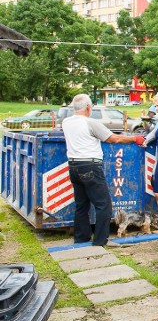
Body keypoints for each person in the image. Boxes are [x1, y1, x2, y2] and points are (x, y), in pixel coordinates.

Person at [62, 93, 142, 246]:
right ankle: (100, 240)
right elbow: (114, 138)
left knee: (81, 205)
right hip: (90, 166)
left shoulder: (66, 122)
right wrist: (134, 138)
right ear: (88, 107)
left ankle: (81, 238)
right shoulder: (90, 123)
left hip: (73, 166)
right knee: (103, 205)